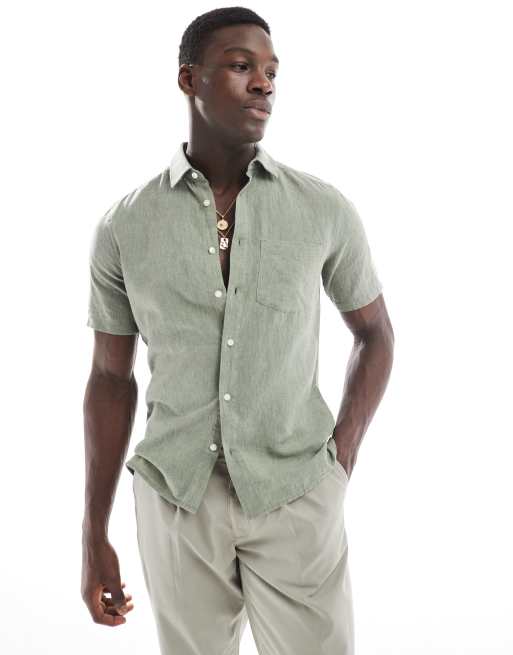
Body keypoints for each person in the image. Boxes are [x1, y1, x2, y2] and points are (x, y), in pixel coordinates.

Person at [81, 6, 394, 654]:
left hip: (295, 492)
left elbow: (375, 334)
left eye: (271, 71)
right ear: (188, 79)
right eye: (241, 65)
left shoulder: (322, 209)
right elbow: (110, 377)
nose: (263, 83)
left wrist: (340, 460)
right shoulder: (125, 226)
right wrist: (94, 532)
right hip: (176, 497)